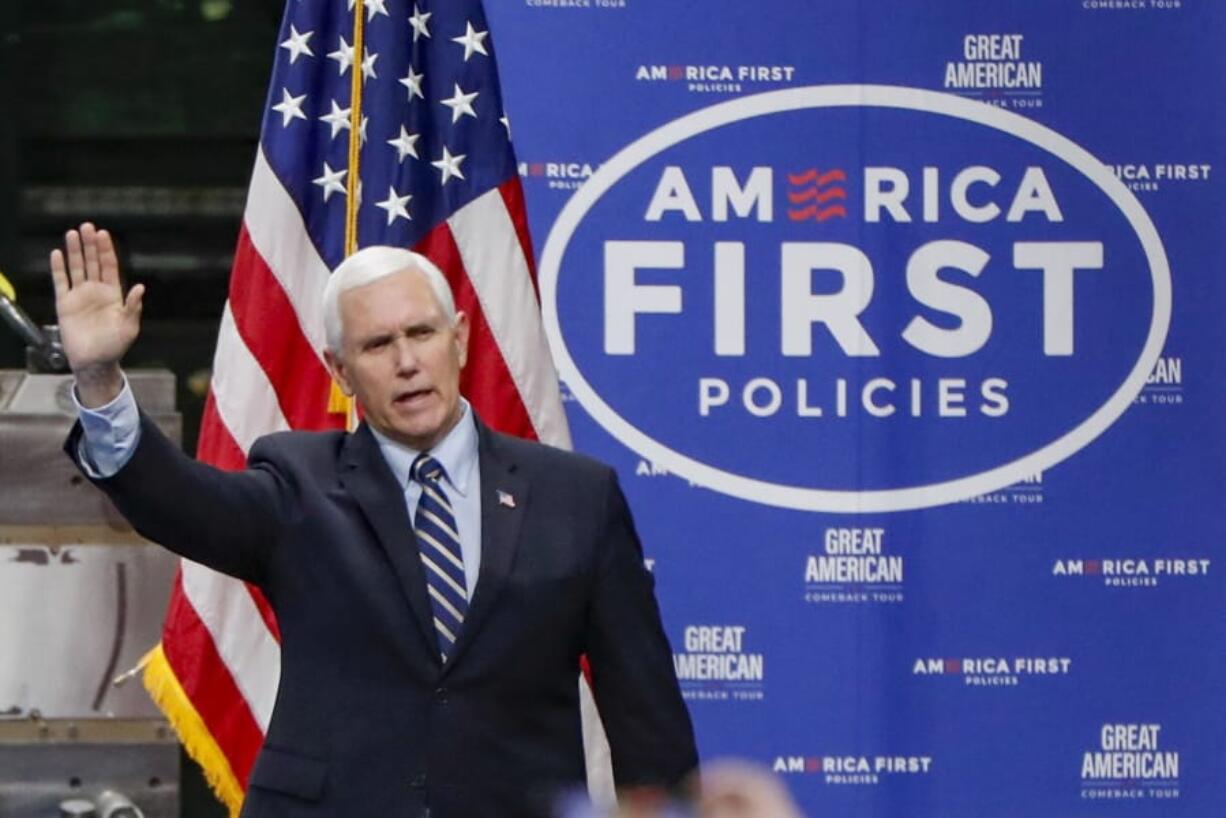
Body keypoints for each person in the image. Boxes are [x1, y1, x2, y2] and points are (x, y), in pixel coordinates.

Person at [53, 223, 698, 817]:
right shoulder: (298, 484)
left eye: (421, 333)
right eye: (378, 344)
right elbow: (180, 502)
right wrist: (100, 378)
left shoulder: (576, 497)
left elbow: (646, 715)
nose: (407, 361)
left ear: (461, 337)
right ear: (341, 370)